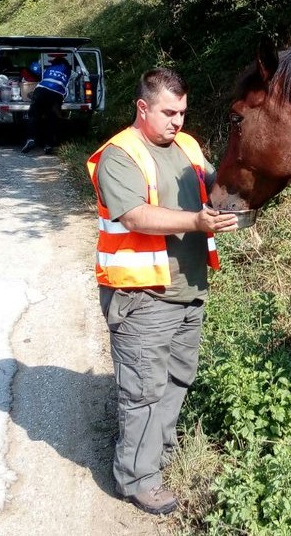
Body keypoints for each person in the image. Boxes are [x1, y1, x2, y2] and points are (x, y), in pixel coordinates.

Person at [86, 67, 238, 515]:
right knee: (143, 391)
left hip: (188, 290)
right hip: (142, 297)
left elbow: (212, 185)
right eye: (169, 113)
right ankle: (135, 478)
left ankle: (156, 456)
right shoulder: (120, 154)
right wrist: (196, 221)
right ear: (143, 108)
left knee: (176, 380)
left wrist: (240, 194)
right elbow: (134, 216)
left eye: (183, 113)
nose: (178, 122)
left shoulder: (187, 145)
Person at [22, 56, 71, 155]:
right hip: (56, 94)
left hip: (41, 90)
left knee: (34, 115)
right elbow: (78, 77)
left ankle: (31, 139)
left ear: (55, 63)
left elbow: (36, 71)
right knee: (52, 118)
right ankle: (49, 145)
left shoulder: (47, 69)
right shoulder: (69, 71)